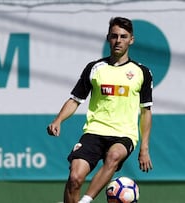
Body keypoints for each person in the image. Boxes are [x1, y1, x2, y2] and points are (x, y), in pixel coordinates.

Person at [47, 17, 153, 203]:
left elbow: (146, 112)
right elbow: (75, 100)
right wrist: (58, 120)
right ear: (108, 38)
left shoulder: (141, 72)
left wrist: (144, 148)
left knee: (113, 156)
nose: (118, 40)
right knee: (74, 179)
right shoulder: (95, 68)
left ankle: (86, 201)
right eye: (114, 36)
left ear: (131, 40)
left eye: (123, 36)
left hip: (124, 134)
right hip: (94, 131)